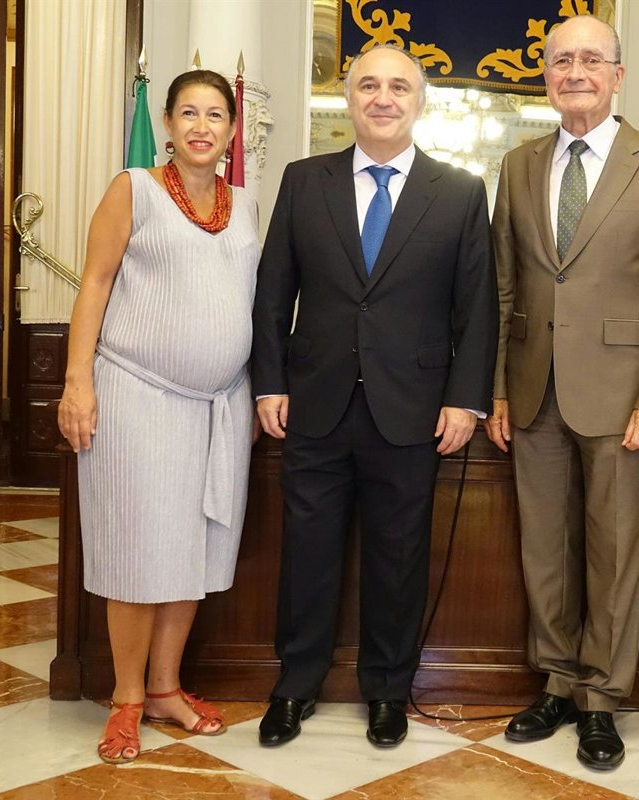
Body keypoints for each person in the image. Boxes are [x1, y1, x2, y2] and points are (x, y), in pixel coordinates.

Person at [251, 44, 497, 750]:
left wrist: (466, 400)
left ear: (420, 101)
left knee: (398, 556)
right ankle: (295, 685)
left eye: (398, 87)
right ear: (348, 96)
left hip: (413, 409)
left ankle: (388, 690)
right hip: (314, 402)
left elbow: (477, 307)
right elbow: (274, 291)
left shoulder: (460, 191)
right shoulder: (304, 180)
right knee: (308, 552)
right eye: (368, 86)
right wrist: (269, 381)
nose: (383, 98)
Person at [486, 15, 639, 771]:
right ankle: (555, 681)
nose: (574, 72)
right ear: (545, 75)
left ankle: (601, 697)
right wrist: (498, 390)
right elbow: (504, 287)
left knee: (613, 551)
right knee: (544, 548)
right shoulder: (518, 164)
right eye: (561, 61)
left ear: (618, 74)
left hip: (622, 394)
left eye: (590, 60)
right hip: (532, 389)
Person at [57, 70, 260, 765]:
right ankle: (126, 699)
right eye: (189, 113)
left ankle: (167, 689)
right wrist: (77, 383)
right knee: (139, 549)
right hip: (138, 395)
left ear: (232, 130)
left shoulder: (247, 205)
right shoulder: (133, 188)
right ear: (168, 125)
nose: (202, 126)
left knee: (193, 551)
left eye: (216, 115)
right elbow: (94, 283)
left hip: (221, 404)